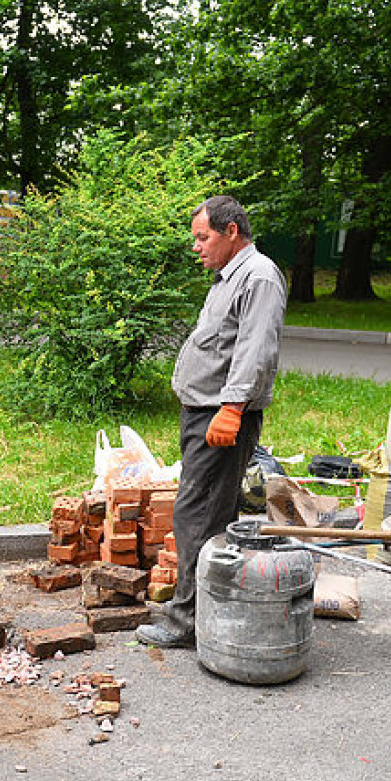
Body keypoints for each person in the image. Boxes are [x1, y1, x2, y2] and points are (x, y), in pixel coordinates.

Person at [135, 196, 287, 649]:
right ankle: (208, 610)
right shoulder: (229, 277)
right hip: (205, 411)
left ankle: (184, 623)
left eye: (203, 238)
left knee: (198, 513)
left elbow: (255, 349)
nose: (196, 247)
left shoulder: (258, 277)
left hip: (221, 416)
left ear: (231, 232)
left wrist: (233, 408)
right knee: (209, 512)